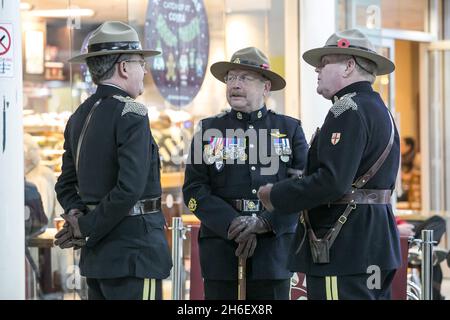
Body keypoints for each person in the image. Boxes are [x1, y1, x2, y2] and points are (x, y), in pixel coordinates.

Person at [257, 29, 401, 300]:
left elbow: (332, 182)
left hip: (345, 247)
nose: (317, 70)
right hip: (374, 242)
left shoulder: (345, 109)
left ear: (349, 66)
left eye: (324, 62)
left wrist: (276, 195)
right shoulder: (379, 109)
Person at [54, 21, 172, 300]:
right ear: (123, 67)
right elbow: (130, 188)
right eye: (140, 62)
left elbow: (65, 185)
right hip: (134, 253)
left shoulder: (79, 116)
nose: (144, 70)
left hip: (98, 258)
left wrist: (77, 215)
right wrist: (84, 225)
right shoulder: (131, 112)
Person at [183, 47, 308, 300]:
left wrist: (265, 222)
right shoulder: (209, 130)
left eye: (244, 78)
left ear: (266, 87)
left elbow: (302, 189)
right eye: (230, 78)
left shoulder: (289, 129)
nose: (235, 84)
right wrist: (231, 222)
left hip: (273, 253)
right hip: (222, 249)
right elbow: (193, 190)